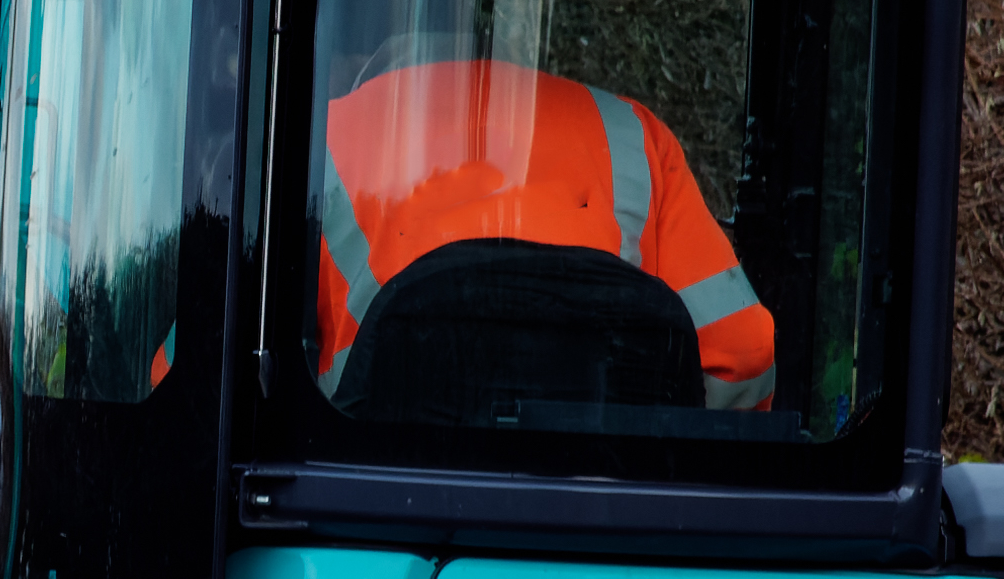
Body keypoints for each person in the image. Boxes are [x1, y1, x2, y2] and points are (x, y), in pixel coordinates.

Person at [313, 54, 773, 411]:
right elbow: (745, 352)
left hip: (381, 503)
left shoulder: (316, 144)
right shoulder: (632, 133)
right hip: (605, 507)